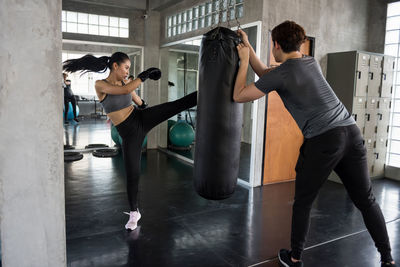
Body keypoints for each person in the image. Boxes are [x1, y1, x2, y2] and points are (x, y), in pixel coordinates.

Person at [234, 21, 396, 267]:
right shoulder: (310, 61)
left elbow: (239, 96)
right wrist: (248, 47)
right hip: (351, 132)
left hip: (324, 139)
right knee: (367, 200)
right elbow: (267, 73)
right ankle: (387, 259)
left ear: (276, 45)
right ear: (299, 43)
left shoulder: (283, 73)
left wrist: (243, 59)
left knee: (303, 201)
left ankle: (295, 258)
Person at [63, 52, 197, 231]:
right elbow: (125, 91)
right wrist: (144, 75)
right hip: (129, 134)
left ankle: (211, 90)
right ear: (115, 66)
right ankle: (134, 213)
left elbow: (138, 101)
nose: (128, 72)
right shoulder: (100, 85)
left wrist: (147, 107)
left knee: (176, 105)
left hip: (140, 118)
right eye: (126, 67)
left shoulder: (127, 83)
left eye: (130, 69)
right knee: (132, 175)